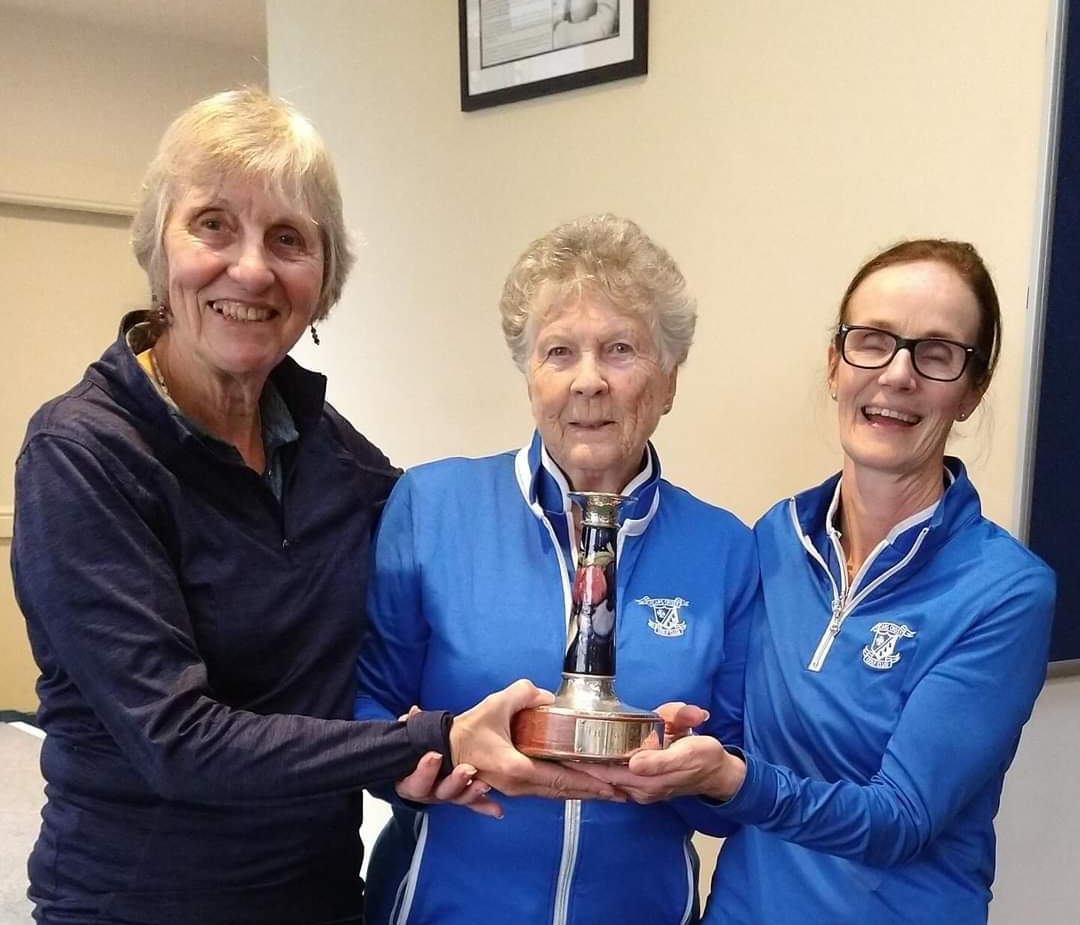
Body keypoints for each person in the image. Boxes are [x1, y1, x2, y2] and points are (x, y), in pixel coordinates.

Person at [9, 88, 613, 925]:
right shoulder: (83, 455)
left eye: (288, 239)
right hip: (140, 904)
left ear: (323, 281)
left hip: (319, 895)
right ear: (157, 248)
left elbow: (443, 534)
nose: (251, 268)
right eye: (213, 223)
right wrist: (426, 739)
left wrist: (585, 472)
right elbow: (177, 741)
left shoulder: (324, 444)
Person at [587, 239, 1057, 925]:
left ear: (971, 390)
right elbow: (735, 767)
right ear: (836, 364)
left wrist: (733, 779)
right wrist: (671, 750)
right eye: (873, 341)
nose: (897, 375)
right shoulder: (772, 538)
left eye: (936, 353)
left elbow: (900, 818)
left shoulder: (1006, 592)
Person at [354, 214, 759, 925]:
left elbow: (730, 785)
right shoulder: (432, 504)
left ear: (668, 381)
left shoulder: (725, 548)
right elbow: (363, 715)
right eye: (560, 351)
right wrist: (419, 764)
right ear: (529, 374)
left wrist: (687, 772)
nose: (589, 381)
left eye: (621, 349)